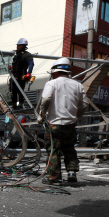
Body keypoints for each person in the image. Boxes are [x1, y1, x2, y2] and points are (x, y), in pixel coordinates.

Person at [38, 57, 88, 185]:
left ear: (55, 72)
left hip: (54, 124)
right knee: (69, 148)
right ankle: (72, 172)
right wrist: (77, 116)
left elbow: (46, 99)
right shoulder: (77, 85)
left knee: (54, 150)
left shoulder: (52, 83)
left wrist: (42, 114)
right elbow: (84, 104)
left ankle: (54, 178)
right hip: (70, 124)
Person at [9, 38, 35, 109]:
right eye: (17, 45)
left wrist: (29, 73)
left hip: (21, 76)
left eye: (19, 45)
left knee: (20, 91)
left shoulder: (27, 55)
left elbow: (31, 64)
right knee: (13, 91)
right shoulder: (16, 55)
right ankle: (14, 105)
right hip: (14, 75)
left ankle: (20, 105)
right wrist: (11, 68)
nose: (17, 47)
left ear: (23, 46)